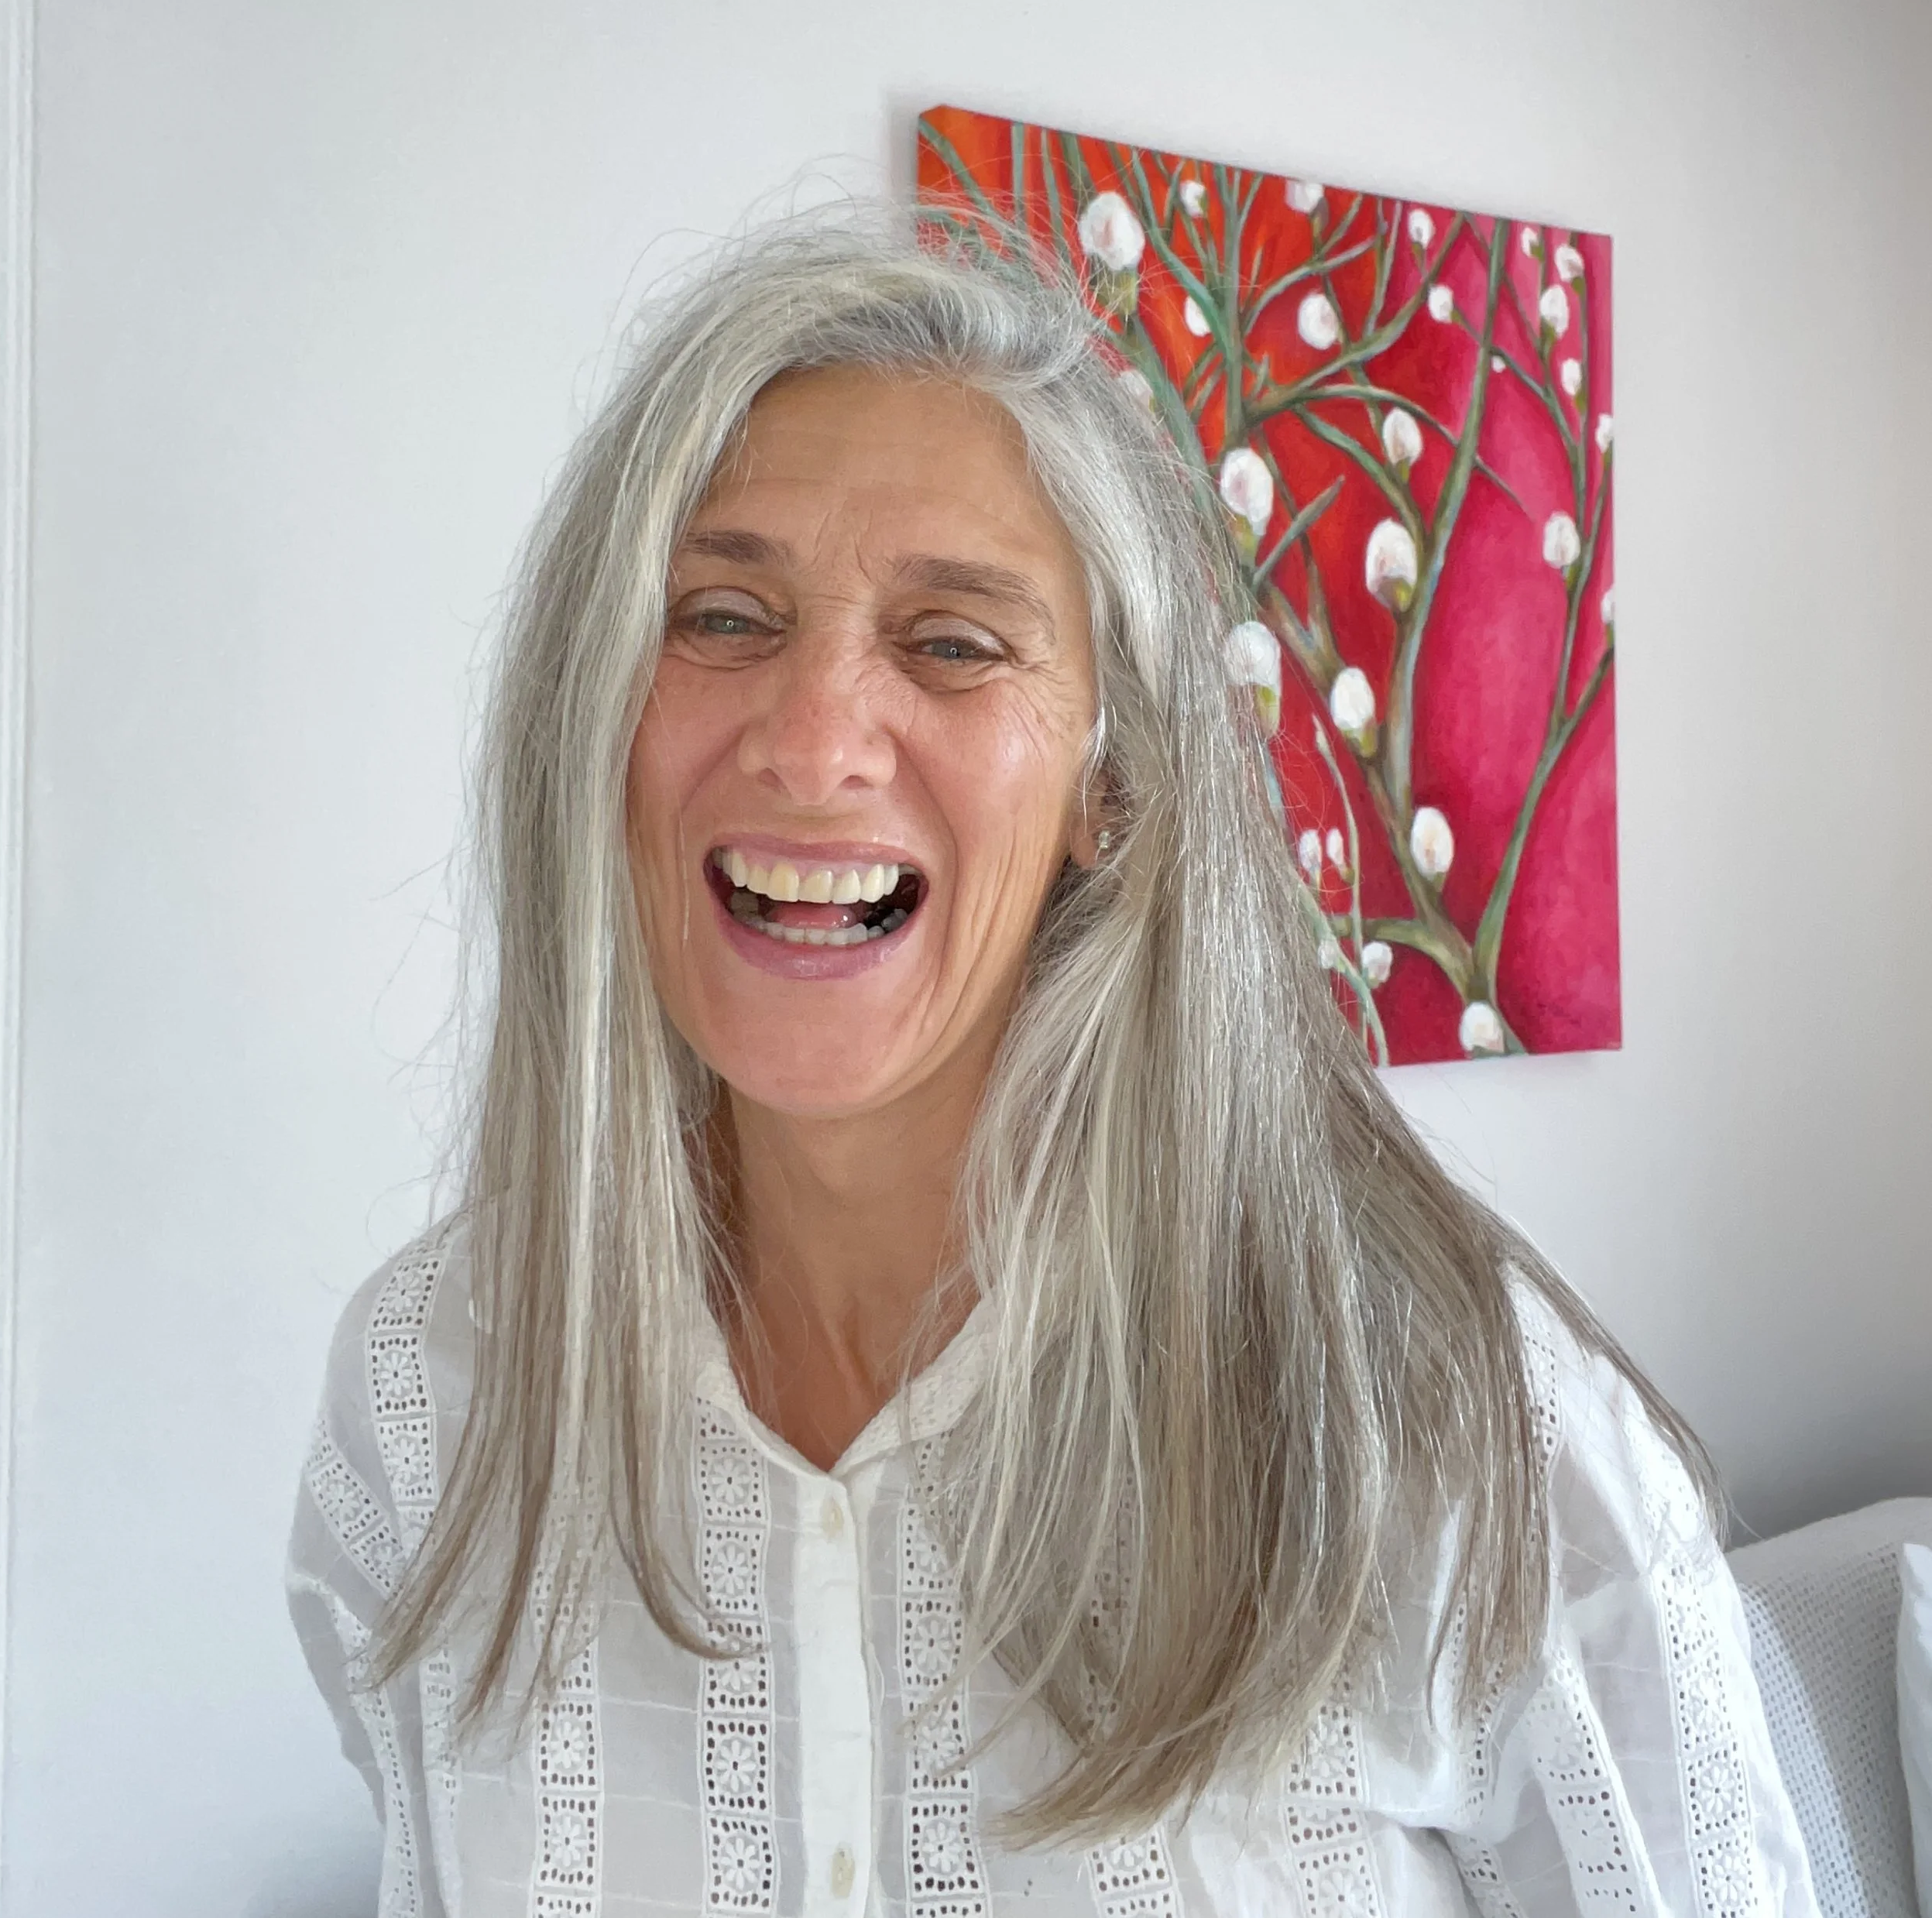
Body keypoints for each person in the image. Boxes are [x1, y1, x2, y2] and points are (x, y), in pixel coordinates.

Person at [289, 217, 1816, 1917]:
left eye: (951, 641)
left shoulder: (1448, 1422)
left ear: (1109, 787)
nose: (808, 737)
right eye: (721, 616)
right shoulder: (433, 1398)